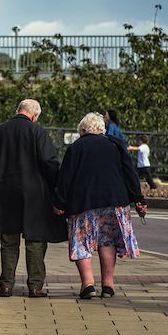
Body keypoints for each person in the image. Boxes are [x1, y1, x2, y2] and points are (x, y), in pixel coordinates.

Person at [0, 99, 67, 298]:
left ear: (18, 110)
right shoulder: (38, 132)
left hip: (4, 192)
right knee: (35, 240)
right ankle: (35, 286)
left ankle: (6, 285)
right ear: (34, 115)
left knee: (8, 240)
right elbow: (49, 162)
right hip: (34, 194)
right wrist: (54, 186)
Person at [53, 112, 147, 299]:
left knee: (82, 241)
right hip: (114, 201)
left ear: (82, 130)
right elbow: (130, 174)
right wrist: (139, 200)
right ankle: (108, 285)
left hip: (83, 202)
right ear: (102, 130)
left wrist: (59, 201)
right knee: (108, 241)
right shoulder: (116, 145)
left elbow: (65, 177)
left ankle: (88, 285)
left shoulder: (76, 147)